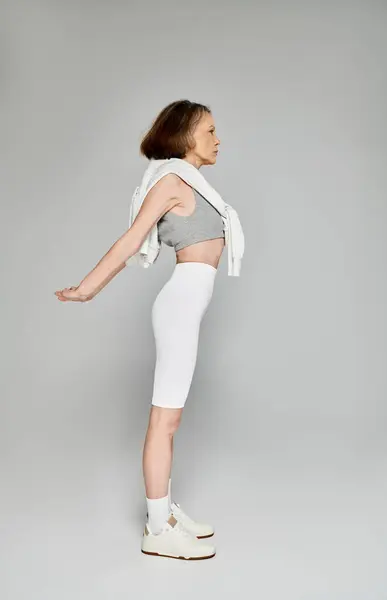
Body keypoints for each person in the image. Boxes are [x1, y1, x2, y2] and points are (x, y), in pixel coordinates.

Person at [55, 99, 240, 561]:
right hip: (178, 306)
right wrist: (88, 288)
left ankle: (166, 514)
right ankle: (157, 529)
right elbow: (131, 238)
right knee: (166, 419)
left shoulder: (193, 182)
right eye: (211, 131)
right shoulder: (171, 182)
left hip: (187, 304)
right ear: (184, 136)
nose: (219, 140)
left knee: (170, 418)